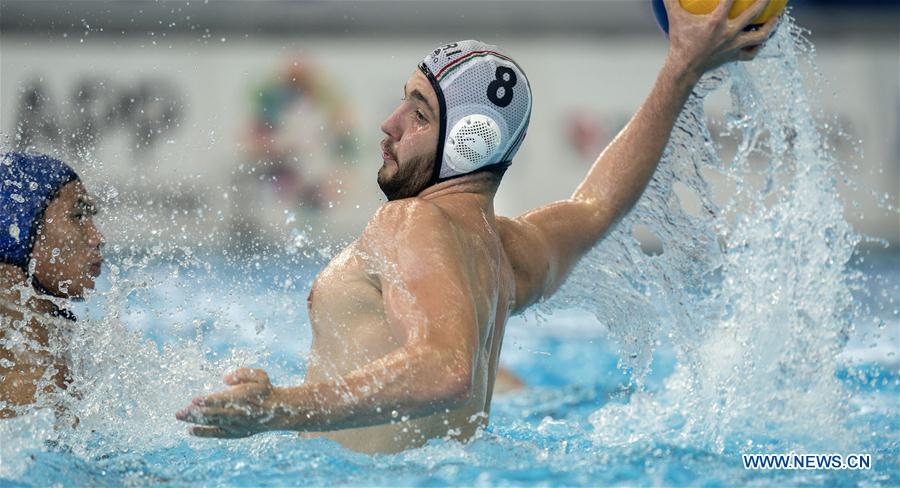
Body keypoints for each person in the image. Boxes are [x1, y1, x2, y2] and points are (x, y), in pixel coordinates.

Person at [177, 0, 779, 453]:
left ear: (470, 142)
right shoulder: (505, 254)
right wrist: (680, 69)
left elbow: (446, 371)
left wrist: (279, 408)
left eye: (417, 113)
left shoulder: (408, 220)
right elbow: (598, 205)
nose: (389, 123)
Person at [0, 152, 104, 418]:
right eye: (77, 216)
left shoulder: (48, 362)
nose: (97, 237)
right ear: (19, 231)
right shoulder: (32, 384)